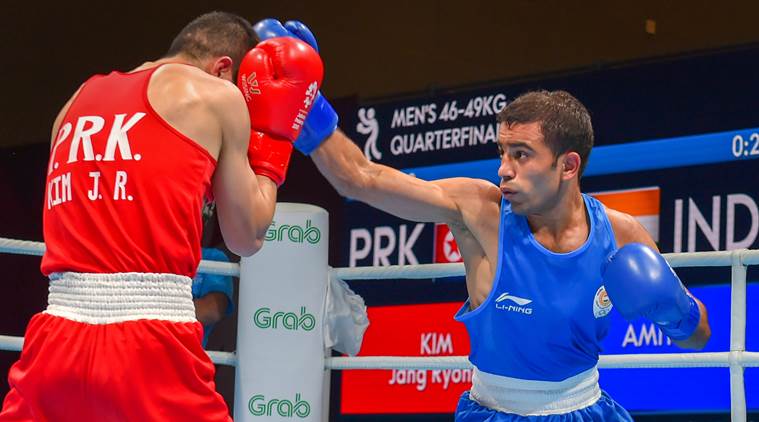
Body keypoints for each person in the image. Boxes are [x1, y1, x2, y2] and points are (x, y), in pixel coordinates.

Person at [253, 19, 712, 421]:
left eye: (522, 155)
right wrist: (311, 111)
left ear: (568, 166)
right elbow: (362, 179)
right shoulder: (479, 211)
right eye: (502, 152)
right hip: (495, 413)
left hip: (588, 411)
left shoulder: (622, 232)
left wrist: (677, 312)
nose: (504, 169)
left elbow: (699, 338)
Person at [0, 12, 323, 420]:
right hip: (150, 344)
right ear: (223, 69)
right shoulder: (214, 95)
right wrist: (273, 142)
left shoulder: (75, 102)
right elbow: (247, 236)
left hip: (54, 342)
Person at [193, 247, 234, 348]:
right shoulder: (148, 256)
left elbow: (211, 311)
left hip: (187, 355)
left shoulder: (212, 257)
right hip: (150, 346)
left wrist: (153, 307)